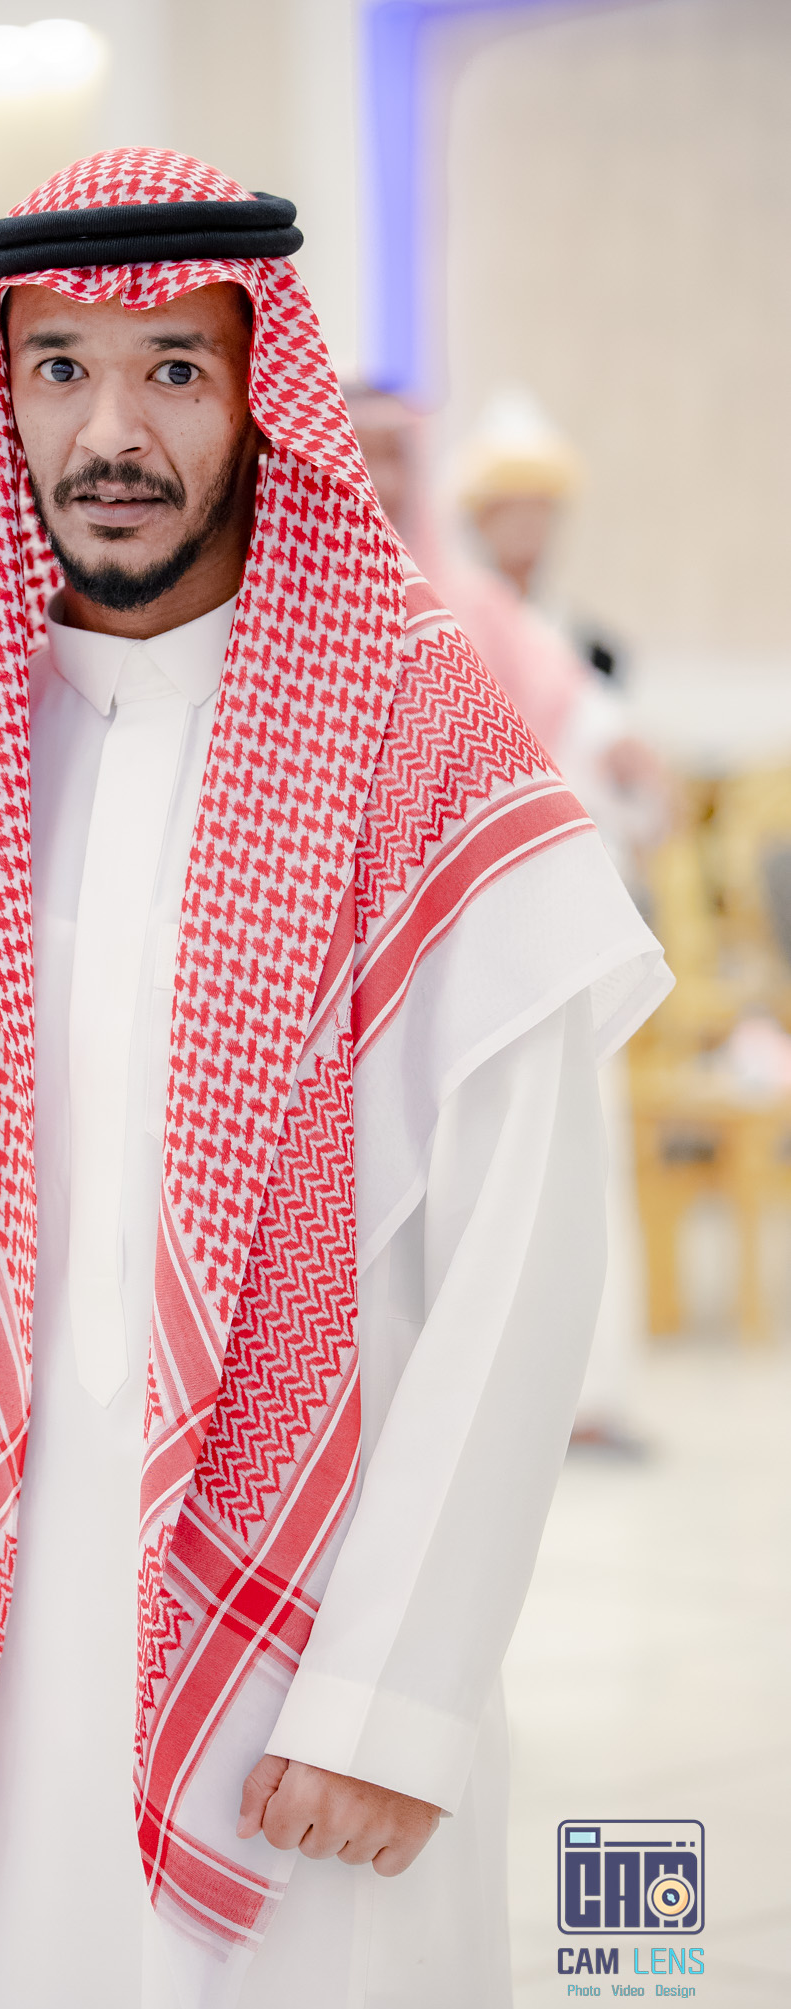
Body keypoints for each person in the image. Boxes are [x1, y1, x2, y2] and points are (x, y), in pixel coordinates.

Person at [0, 154, 671, 2009]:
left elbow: (523, 1259)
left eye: (173, 367)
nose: (110, 433)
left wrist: (393, 1693)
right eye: (59, 369)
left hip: (308, 1659)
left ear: (261, 397)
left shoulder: (418, 736)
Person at [347, 383, 666, 1452]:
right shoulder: (273, 606)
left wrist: (622, 760)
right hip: (342, 961)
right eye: (361, 450)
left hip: (491, 934)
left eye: (398, 453)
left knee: (533, 1162)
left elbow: (586, 729)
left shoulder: (471, 608)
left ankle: (561, 1398)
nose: (380, 476)